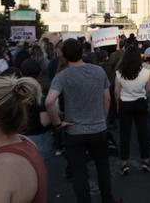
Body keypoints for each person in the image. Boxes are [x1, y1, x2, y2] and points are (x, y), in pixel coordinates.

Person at [45, 39, 118, 203]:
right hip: (98, 128)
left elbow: (49, 102)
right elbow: (107, 98)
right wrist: (103, 118)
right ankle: (108, 199)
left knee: (79, 173)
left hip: (74, 131)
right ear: (82, 52)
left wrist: (57, 123)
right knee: (103, 168)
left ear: (63, 54)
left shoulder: (62, 76)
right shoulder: (98, 71)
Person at [115, 45, 150, 174]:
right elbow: (148, 90)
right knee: (143, 133)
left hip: (125, 103)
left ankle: (124, 164)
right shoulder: (146, 72)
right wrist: (148, 103)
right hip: (140, 102)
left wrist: (118, 106)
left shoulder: (119, 73)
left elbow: (116, 92)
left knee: (124, 135)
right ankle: (146, 161)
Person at [20, 59, 53, 168]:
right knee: (41, 173)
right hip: (39, 136)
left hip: (18, 136)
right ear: (39, 72)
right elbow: (45, 121)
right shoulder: (42, 90)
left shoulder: (14, 90)